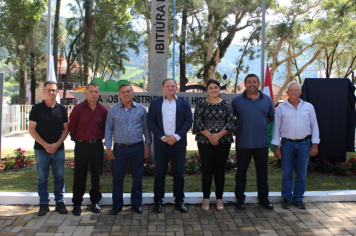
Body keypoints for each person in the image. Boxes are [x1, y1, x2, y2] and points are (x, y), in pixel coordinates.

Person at [105, 83, 152, 215]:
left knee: (138, 177)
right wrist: (108, 148)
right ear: (119, 95)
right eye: (123, 92)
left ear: (133, 93)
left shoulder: (141, 110)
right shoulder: (113, 110)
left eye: (128, 91)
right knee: (117, 178)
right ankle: (117, 204)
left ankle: (136, 203)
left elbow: (147, 131)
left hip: (137, 148)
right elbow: (108, 131)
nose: (126, 94)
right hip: (119, 149)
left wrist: (148, 147)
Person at [147, 79, 193, 213]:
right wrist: (162, 137)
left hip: (178, 144)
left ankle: (179, 201)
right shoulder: (155, 102)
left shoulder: (184, 102)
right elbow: (151, 121)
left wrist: (176, 136)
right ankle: (158, 201)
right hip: (161, 145)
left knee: (179, 174)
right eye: (168, 86)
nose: (170, 88)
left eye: (173, 86)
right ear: (162, 88)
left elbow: (188, 121)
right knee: (160, 173)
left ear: (176, 88)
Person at [272, 82, 319, 209]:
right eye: (291, 90)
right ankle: (287, 198)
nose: (293, 92)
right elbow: (276, 128)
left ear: (300, 92)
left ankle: (298, 198)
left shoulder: (309, 107)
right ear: (287, 93)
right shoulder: (281, 108)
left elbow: (315, 126)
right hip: (287, 144)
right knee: (286, 173)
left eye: (296, 90)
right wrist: (276, 147)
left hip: (304, 144)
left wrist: (315, 144)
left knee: (301, 173)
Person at [231, 74, 274, 210]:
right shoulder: (237, 100)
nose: (252, 84)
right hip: (243, 143)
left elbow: (270, 118)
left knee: (262, 172)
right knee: (241, 173)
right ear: (245, 84)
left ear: (258, 84)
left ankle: (263, 198)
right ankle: (239, 198)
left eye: (254, 82)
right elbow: (231, 120)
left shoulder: (267, 100)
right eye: (249, 82)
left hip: (261, 143)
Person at [193, 79, 235, 212]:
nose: (213, 90)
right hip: (205, 141)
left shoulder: (227, 104)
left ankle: (219, 198)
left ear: (219, 89)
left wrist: (217, 136)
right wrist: (211, 136)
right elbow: (198, 122)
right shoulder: (201, 105)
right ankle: (206, 197)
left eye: (216, 87)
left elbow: (230, 123)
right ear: (207, 90)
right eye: (210, 88)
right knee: (207, 170)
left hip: (223, 141)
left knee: (219, 170)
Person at [29, 81, 69, 216]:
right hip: (41, 150)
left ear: (57, 92)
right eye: (49, 90)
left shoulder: (62, 109)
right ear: (44, 91)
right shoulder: (36, 109)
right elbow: (32, 130)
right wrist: (45, 145)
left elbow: (66, 130)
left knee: (59, 177)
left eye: (54, 90)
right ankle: (44, 204)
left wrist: (57, 144)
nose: (51, 92)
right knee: (42, 178)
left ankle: (60, 203)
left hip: (59, 150)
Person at [68, 83, 108, 216]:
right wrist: (79, 140)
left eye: (96, 92)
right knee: (80, 175)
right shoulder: (78, 109)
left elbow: (105, 128)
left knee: (97, 175)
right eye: (91, 91)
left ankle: (95, 201)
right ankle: (77, 203)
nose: (94, 94)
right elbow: (72, 129)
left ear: (99, 94)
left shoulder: (103, 110)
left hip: (97, 145)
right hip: (81, 145)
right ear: (86, 93)